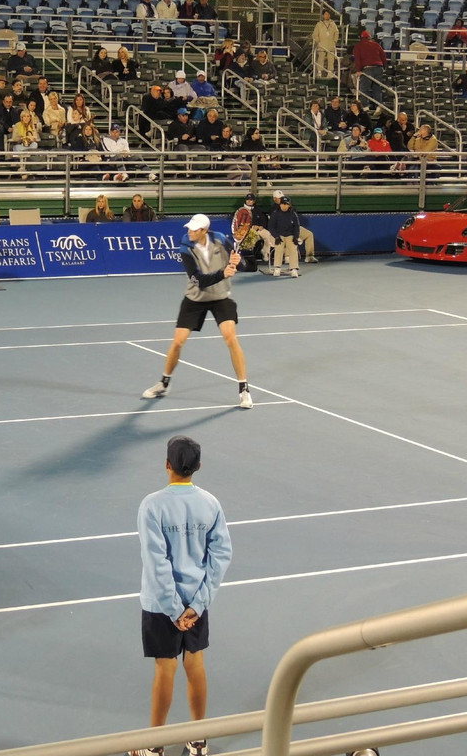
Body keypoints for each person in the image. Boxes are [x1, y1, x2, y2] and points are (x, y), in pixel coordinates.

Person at [129, 434, 232, 756]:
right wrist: (198, 604)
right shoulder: (210, 503)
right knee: (196, 664)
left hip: (162, 605)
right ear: (198, 466)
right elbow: (221, 555)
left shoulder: (152, 505)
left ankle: (154, 747)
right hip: (196, 605)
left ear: (167, 465)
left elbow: (156, 560)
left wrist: (174, 610)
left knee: (165, 667)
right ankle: (198, 741)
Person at [142, 214, 253, 408]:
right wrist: (223, 273)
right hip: (195, 299)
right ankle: (164, 383)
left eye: (193, 229)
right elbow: (197, 280)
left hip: (220, 297)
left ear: (204, 231)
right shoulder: (185, 247)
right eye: (189, 229)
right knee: (177, 342)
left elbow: (244, 267)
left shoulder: (220, 239)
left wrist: (239, 261)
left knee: (230, 337)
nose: (189, 232)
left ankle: (244, 390)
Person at [267, 195, 303, 277]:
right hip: (279, 235)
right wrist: (276, 236)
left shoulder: (293, 214)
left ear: (289, 205)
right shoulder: (275, 213)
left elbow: (296, 227)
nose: (284, 206)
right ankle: (277, 268)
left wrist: (295, 237)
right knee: (279, 248)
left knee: (293, 248)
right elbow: (271, 227)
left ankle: (294, 269)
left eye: (286, 204)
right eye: (282, 204)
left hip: (290, 235)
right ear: (280, 204)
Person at [352, 30, 386, 105]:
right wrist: (384, 67)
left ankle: (365, 106)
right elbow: (383, 56)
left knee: (364, 88)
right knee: (377, 88)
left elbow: (358, 59)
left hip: (367, 69)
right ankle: (379, 106)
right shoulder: (376, 45)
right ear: (370, 37)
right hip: (379, 68)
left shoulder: (359, 46)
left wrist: (359, 70)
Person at [311, 9, 339, 78]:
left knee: (331, 59)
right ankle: (319, 72)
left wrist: (335, 41)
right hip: (322, 44)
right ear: (323, 15)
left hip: (331, 44)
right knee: (321, 58)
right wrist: (318, 41)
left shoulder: (333, 24)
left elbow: (336, 33)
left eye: (328, 14)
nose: (327, 15)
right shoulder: (319, 24)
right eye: (326, 14)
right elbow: (315, 34)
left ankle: (330, 72)